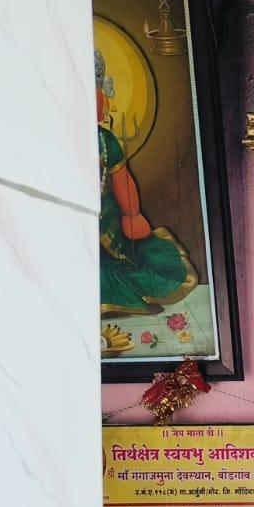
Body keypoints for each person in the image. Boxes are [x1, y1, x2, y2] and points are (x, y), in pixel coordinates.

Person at [97, 51, 196, 319]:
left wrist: (132, 213)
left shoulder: (106, 142)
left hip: (108, 223)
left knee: (123, 262)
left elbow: (122, 178)